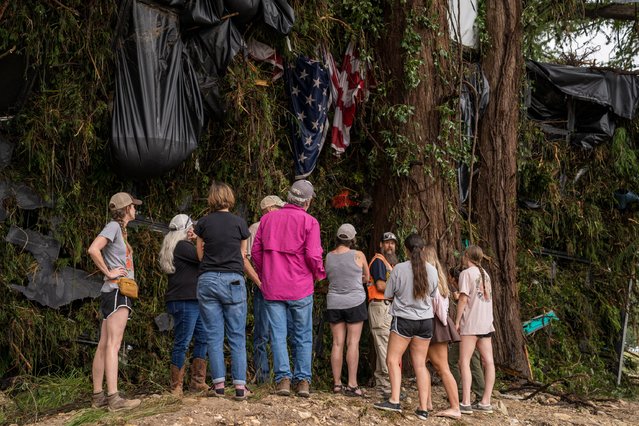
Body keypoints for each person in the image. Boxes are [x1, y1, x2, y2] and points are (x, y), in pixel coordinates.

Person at [251, 180, 326, 398]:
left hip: (274, 287)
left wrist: (267, 273)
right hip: (301, 287)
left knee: (277, 334)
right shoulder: (310, 222)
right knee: (303, 335)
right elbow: (313, 255)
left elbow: (256, 252)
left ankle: (283, 379)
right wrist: (318, 273)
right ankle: (302, 381)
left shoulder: (267, 219)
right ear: (308, 202)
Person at [194, 181, 261, 400]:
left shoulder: (202, 223)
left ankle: (219, 386)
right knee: (236, 335)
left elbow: (200, 256)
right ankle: (241, 388)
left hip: (208, 279)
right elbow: (242, 256)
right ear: (230, 198)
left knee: (214, 335)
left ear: (211, 199)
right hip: (233, 280)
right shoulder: (239, 223)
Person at [87, 192, 142, 411]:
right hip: (118, 291)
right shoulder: (113, 227)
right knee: (113, 344)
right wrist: (109, 272)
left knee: (104, 344)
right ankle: (114, 399)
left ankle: (98, 396)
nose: (136, 210)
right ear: (127, 208)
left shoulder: (120, 230)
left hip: (111, 292)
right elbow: (93, 249)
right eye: (133, 206)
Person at [373, 234, 437, 420]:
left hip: (404, 320)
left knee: (392, 359)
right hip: (425, 321)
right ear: (423, 250)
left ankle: (394, 400)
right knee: (420, 363)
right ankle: (423, 408)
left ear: (406, 250)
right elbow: (433, 294)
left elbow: (388, 293)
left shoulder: (399, 269)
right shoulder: (432, 270)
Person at [159, 214, 208, 396]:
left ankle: (197, 382)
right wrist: (200, 239)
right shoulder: (182, 247)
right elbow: (203, 256)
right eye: (192, 228)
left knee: (202, 338)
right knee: (183, 342)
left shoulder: (178, 246)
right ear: (187, 229)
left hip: (193, 299)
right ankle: (176, 386)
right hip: (186, 300)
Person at [325, 224, 370, 397]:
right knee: (353, 343)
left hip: (334, 302)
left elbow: (329, 276)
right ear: (352, 239)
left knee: (337, 343)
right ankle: (352, 384)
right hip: (355, 302)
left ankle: (337, 384)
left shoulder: (329, 256)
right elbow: (367, 277)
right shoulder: (358, 255)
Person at [246, 195, 285, 384]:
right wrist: (259, 282)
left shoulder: (283, 226)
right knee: (262, 333)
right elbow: (246, 258)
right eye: (279, 207)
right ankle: (263, 378)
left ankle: (281, 376)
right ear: (270, 209)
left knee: (280, 332)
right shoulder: (255, 228)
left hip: (282, 286)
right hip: (265, 287)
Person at [455, 245, 495, 414]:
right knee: (489, 362)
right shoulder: (485, 275)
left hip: (471, 323)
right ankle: (486, 401)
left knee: (464, 361)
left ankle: (466, 401)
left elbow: (463, 299)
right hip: (486, 323)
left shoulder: (466, 274)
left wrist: (457, 321)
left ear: (466, 256)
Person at [422, 246, 461, 419]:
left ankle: (455, 407)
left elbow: (437, 307)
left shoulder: (432, 280)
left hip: (434, 324)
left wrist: (441, 324)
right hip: (433, 323)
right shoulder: (439, 278)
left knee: (442, 368)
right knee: (421, 363)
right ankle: (427, 401)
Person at [447, 266, 486, 403]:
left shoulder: (464, 286)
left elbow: (465, 304)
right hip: (475, 328)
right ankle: (470, 392)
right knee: (465, 360)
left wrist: (457, 323)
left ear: (452, 278)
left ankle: (468, 393)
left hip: (468, 329)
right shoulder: (471, 286)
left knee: (466, 361)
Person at [367, 231, 399, 398]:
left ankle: (383, 387)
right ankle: (389, 387)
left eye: (393, 243)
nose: (390, 246)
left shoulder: (389, 263)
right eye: (387, 243)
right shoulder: (379, 261)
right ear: (381, 244)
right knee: (385, 347)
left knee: (384, 347)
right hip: (380, 306)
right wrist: (399, 292)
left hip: (386, 307)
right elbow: (380, 285)